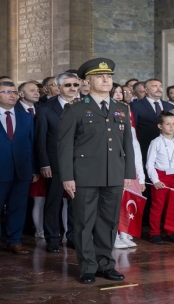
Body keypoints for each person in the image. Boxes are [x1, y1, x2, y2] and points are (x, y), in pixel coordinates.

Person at [58, 58, 136, 284]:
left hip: (114, 174)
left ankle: (105, 264)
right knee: (84, 223)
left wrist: (128, 174)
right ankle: (88, 267)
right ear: (87, 82)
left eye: (109, 76)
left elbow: (127, 144)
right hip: (84, 176)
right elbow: (64, 147)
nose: (106, 80)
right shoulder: (75, 109)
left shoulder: (121, 108)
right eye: (100, 76)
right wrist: (67, 177)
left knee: (109, 222)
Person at [36, 72, 79, 253]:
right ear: (58, 87)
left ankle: (72, 237)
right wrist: (44, 164)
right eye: (68, 85)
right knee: (53, 202)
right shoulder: (46, 109)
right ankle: (52, 238)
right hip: (55, 164)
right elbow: (40, 139)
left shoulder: (85, 107)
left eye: (75, 85)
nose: (72, 88)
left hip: (80, 163)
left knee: (75, 202)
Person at [0, 80, 39, 255]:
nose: (13, 95)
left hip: (22, 169)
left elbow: (32, 143)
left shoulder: (25, 116)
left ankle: (14, 240)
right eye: (7, 92)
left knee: (18, 206)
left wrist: (34, 169)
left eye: (15, 92)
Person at [110, 86, 146, 249]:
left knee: (127, 204)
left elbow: (136, 155)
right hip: (115, 171)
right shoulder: (109, 129)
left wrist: (141, 176)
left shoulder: (131, 130)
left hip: (130, 173)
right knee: (114, 205)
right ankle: (114, 235)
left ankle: (125, 232)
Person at [146, 111, 174, 244]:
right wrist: (155, 180)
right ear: (160, 126)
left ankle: (171, 232)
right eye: (168, 124)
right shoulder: (156, 142)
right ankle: (154, 233)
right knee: (158, 206)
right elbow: (150, 164)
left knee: (173, 205)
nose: (171, 127)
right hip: (161, 177)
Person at [17, 80, 45, 238]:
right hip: (21, 161)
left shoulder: (42, 109)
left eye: (38, 90)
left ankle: (35, 229)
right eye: (32, 90)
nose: (37, 93)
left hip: (40, 161)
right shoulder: (14, 110)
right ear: (21, 94)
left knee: (38, 199)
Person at [131, 78, 174, 175]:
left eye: (160, 86)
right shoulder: (136, 105)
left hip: (167, 149)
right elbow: (134, 128)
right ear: (146, 90)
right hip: (146, 147)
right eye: (154, 86)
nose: (159, 89)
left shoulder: (169, 106)